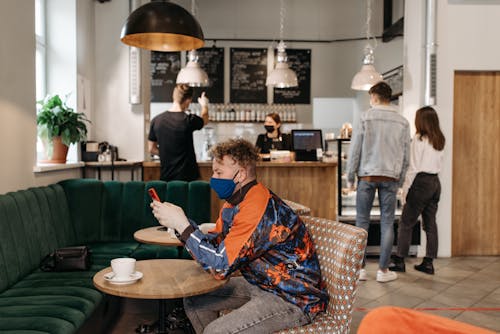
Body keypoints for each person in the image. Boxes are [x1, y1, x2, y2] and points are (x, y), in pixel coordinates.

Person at [151, 138, 328, 334]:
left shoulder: (257, 208)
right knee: (194, 299)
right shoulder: (234, 202)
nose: (213, 178)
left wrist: (183, 226)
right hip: (262, 283)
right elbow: (216, 245)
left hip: (293, 297)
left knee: (216, 331)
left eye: (219, 172)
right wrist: (179, 223)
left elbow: (220, 266)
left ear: (240, 175)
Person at [347, 81, 410, 283]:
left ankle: (360, 270)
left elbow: (355, 150)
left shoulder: (365, 118)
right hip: (390, 177)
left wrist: (350, 177)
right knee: (387, 223)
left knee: (361, 223)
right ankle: (383, 271)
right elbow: (406, 155)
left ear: (374, 97)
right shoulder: (402, 122)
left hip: (366, 175)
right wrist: (400, 180)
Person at [389, 106, 445, 275]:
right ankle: (429, 262)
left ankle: (399, 260)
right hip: (435, 182)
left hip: (420, 182)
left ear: (421, 121)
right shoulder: (440, 139)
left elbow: (413, 168)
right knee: (430, 224)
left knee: (406, 223)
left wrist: (405, 190)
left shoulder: (419, 139)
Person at [148, 84, 209, 182]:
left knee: (169, 198)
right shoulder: (189, 120)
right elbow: (205, 119)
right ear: (188, 100)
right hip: (189, 178)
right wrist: (204, 105)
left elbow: (151, 148)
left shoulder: (156, 120)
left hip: (167, 178)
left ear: (174, 97)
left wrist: (166, 153)